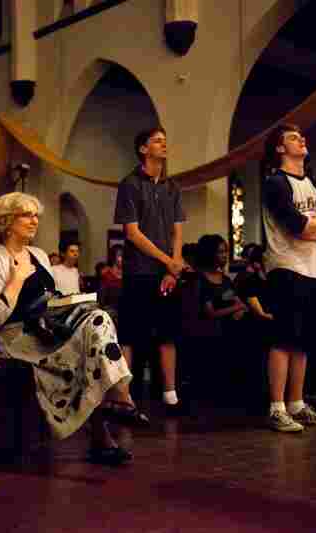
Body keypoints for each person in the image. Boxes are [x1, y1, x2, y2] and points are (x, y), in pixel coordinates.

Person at [0, 192, 144, 466]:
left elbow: (51, 300)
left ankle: (119, 401)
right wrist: (17, 279)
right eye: (26, 215)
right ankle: (115, 411)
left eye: (36, 216)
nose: (34, 221)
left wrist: (70, 304)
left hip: (46, 330)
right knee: (89, 354)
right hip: (15, 339)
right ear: (6, 221)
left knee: (98, 318)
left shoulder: (39, 254)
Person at [260, 123, 316, 432]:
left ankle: (297, 404)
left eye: (301, 136)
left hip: (314, 267)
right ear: (280, 149)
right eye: (293, 137)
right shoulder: (275, 183)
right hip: (286, 266)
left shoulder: (315, 184)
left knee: (303, 341)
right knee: (283, 339)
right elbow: (297, 227)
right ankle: (277, 407)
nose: (301, 139)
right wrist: (315, 226)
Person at [113, 126, 187, 412]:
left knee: (168, 333)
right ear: (143, 149)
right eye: (157, 141)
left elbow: (177, 231)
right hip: (139, 270)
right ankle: (123, 396)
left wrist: (173, 267)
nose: (163, 145)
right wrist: (166, 260)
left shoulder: (172, 187)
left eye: (164, 141)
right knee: (130, 335)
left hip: (167, 272)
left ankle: (170, 394)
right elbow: (132, 233)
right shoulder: (129, 184)